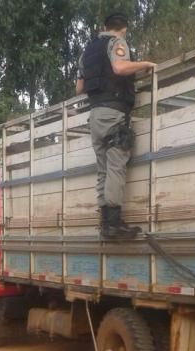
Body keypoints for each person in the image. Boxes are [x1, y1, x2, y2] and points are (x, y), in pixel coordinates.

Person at [76, 12, 156, 238]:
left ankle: (105, 224)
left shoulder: (87, 52)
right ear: (124, 29)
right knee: (116, 166)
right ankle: (113, 223)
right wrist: (145, 64)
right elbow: (119, 68)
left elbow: (79, 89)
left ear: (105, 25)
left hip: (96, 115)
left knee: (103, 169)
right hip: (113, 112)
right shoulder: (117, 42)